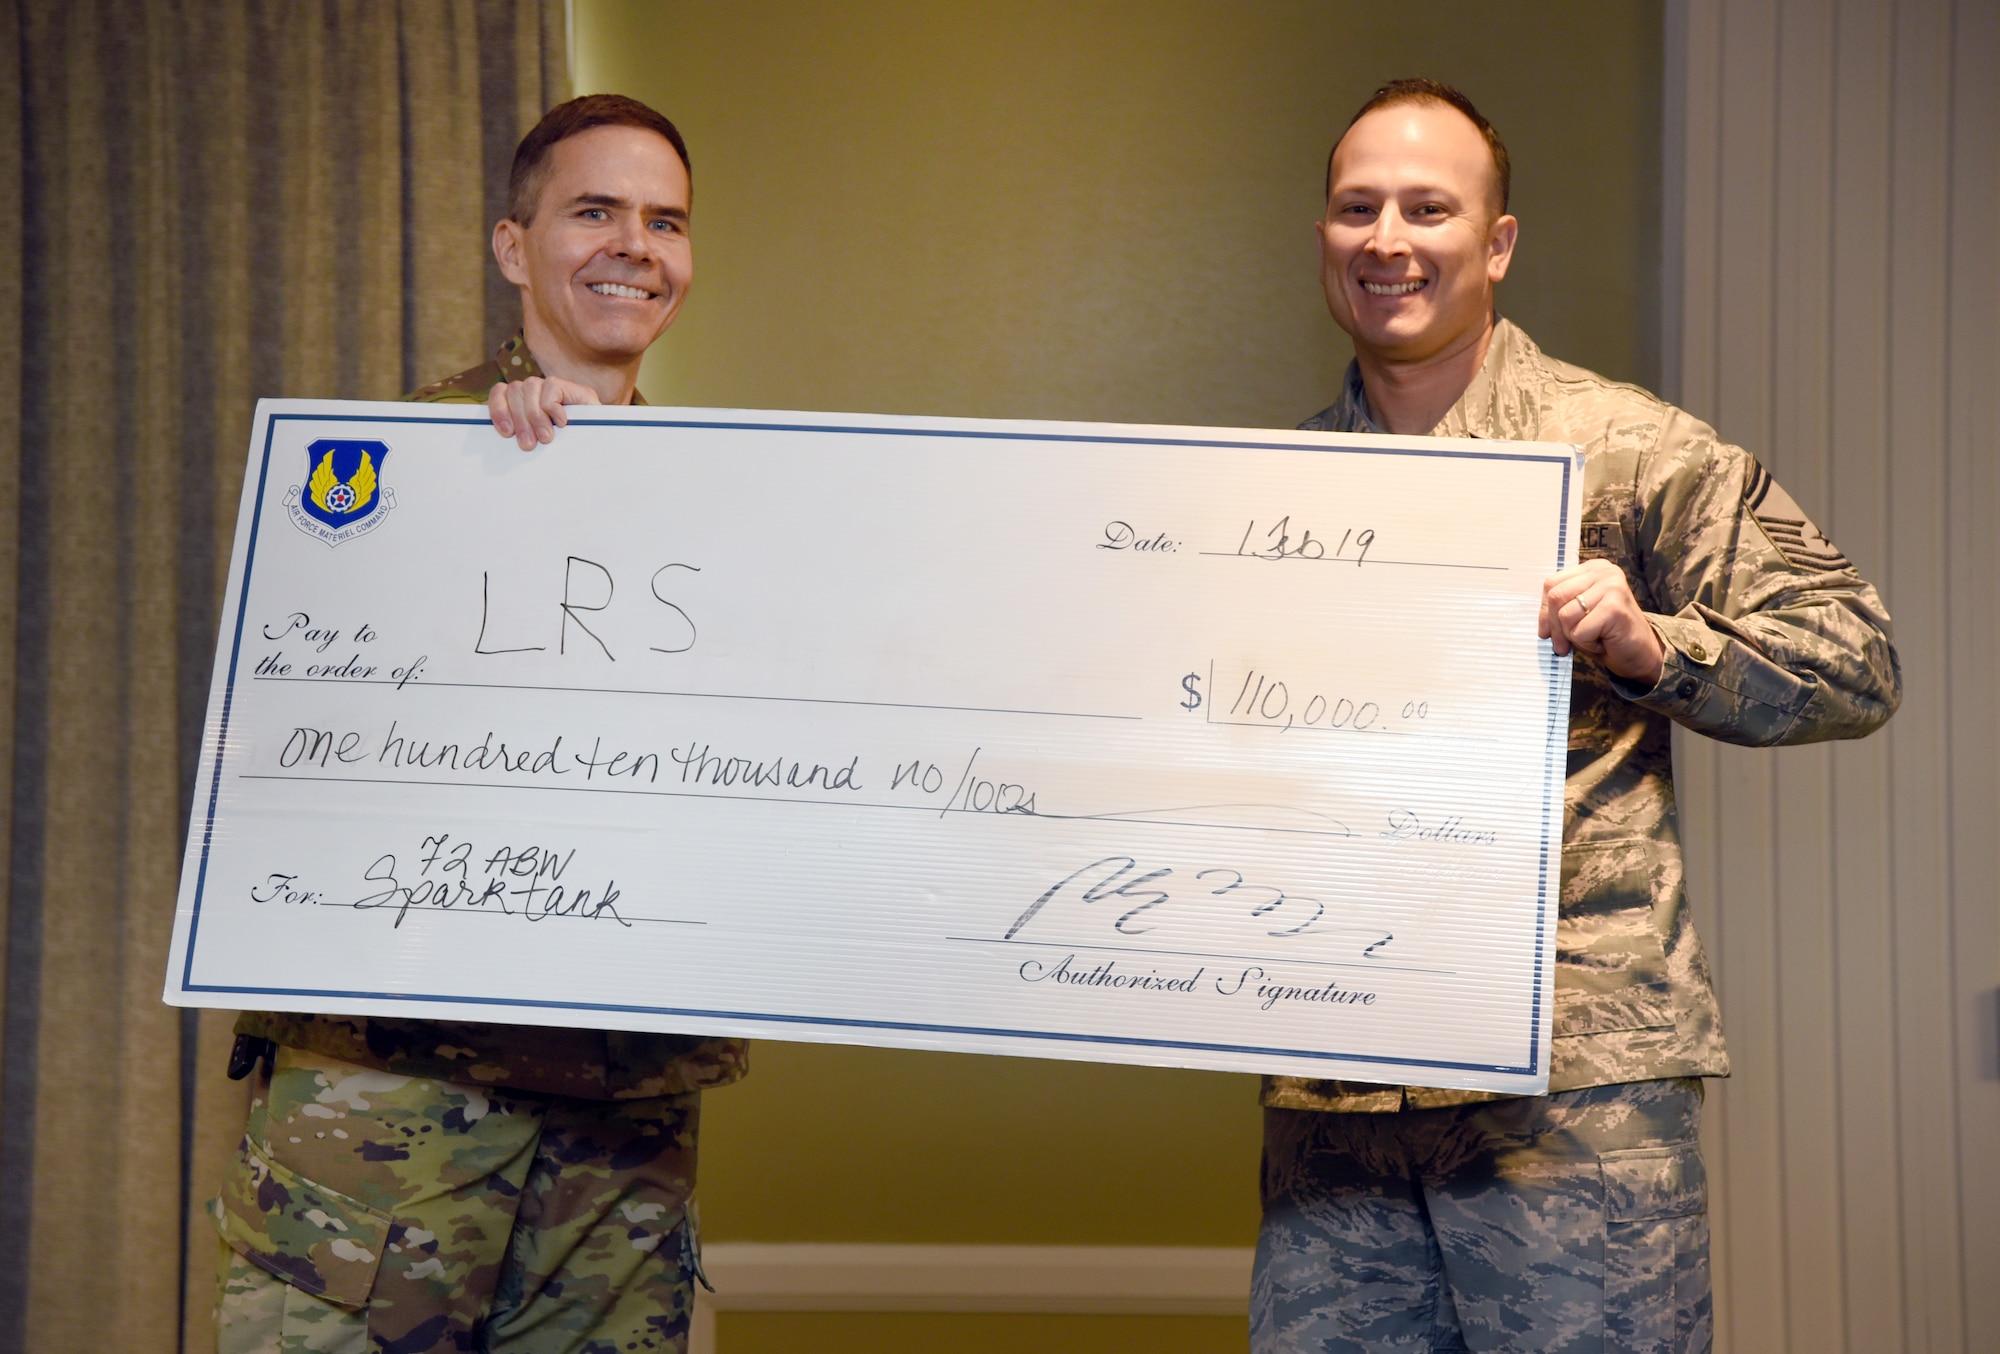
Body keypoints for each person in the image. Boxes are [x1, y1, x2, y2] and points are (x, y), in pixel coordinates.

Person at [1250, 80, 1900, 1354]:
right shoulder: (1272, 498)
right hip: (1333, 1092)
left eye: (1427, 208)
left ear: (1493, 243)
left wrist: (1652, 642)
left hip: (1570, 1100)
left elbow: (1856, 657)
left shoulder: (1631, 450)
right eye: (1355, 208)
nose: (1387, 238)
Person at [211, 95, 745, 1354]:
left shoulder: (733, 511)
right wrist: (491, 486)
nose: (636, 245)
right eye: (594, 211)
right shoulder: (378, 473)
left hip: (619, 1140)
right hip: (387, 1129)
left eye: (665, 220)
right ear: (514, 247)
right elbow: (290, 762)